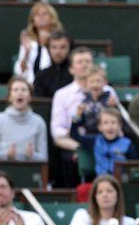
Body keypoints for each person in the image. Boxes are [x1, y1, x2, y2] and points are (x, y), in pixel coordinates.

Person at [50, 47, 117, 187]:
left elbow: (118, 121)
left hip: (107, 141)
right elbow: (57, 131)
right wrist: (79, 145)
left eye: (88, 61)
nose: (85, 65)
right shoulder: (62, 94)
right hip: (75, 143)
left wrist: (115, 107)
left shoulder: (108, 91)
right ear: (71, 69)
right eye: (80, 62)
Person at [0, 77, 47, 162]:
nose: (20, 93)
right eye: (15, 90)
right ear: (9, 97)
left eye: (23, 89)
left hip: (30, 170)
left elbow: (43, 157)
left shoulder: (39, 122)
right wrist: (7, 155)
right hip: (3, 169)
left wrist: (32, 156)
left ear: (30, 97)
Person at [66, 174, 138, 225]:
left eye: (109, 191)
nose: (105, 195)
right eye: (100, 192)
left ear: (118, 195)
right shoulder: (82, 217)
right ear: (94, 197)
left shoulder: (129, 223)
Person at [71, 107, 138, 176]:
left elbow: (135, 165)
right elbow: (74, 135)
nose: (110, 126)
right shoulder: (95, 141)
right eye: (105, 123)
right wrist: (77, 116)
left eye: (113, 122)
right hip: (102, 180)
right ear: (100, 127)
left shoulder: (127, 143)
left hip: (120, 180)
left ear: (120, 125)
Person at [14, 2, 64, 85]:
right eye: (37, 14)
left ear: (52, 19)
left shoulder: (59, 39)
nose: (41, 17)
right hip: (31, 86)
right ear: (32, 21)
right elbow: (20, 72)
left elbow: (60, 66)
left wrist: (47, 45)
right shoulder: (28, 41)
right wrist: (26, 52)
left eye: (45, 14)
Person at [74, 65, 118, 135]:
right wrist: (77, 114)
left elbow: (118, 121)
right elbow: (76, 123)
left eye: (98, 81)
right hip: (89, 137)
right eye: (92, 81)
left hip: (106, 137)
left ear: (105, 82)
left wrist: (115, 107)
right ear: (87, 83)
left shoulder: (110, 100)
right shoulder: (84, 101)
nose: (95, 85)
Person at [33, 30, 72, 98]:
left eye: (63, 47)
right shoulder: (41, 76)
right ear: (49, 49)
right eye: (54, 47)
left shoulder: (76, 75)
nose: (58, 52)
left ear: (69, 48)